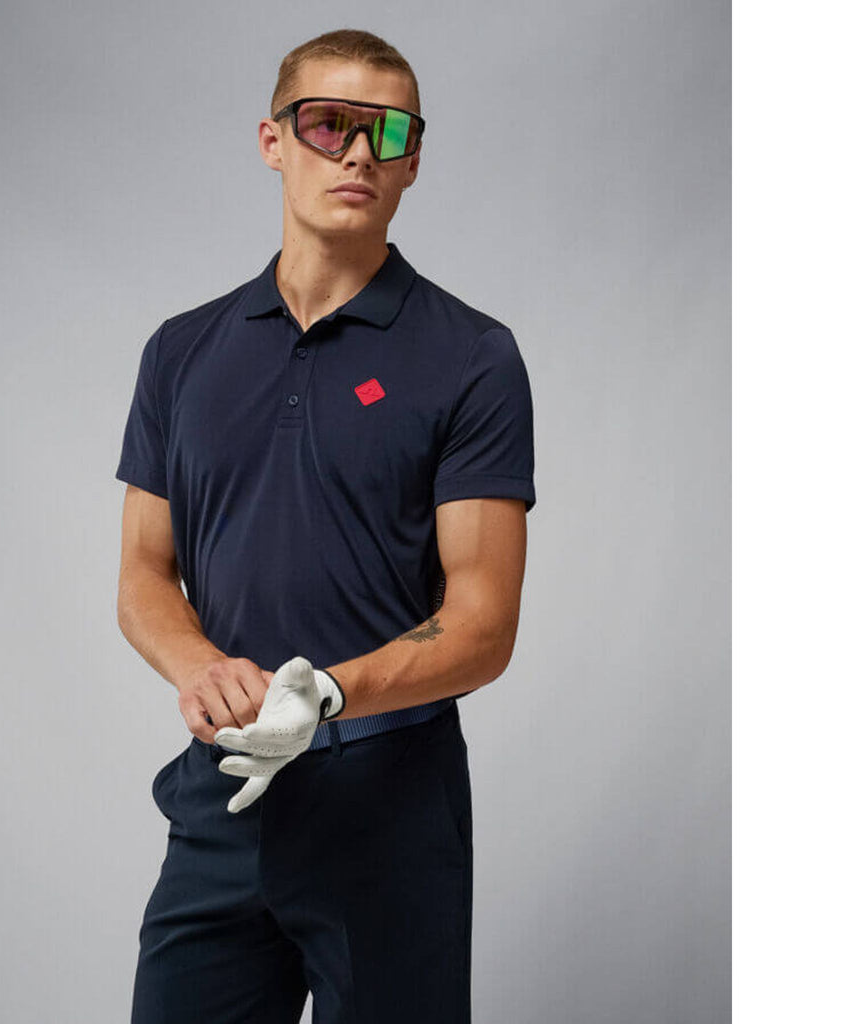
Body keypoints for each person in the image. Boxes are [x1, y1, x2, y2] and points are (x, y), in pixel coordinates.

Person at [115, 27, 535, 1024]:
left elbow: (483, 622)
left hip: (390, 814)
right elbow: (142, 573)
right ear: (272, 140)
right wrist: (201, 670)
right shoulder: (181, 351)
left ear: (412, 162)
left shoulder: (471, 357)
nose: (358, 152)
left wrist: (329, 696)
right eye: (328, 123)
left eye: (387, 133)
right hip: (223, 798)